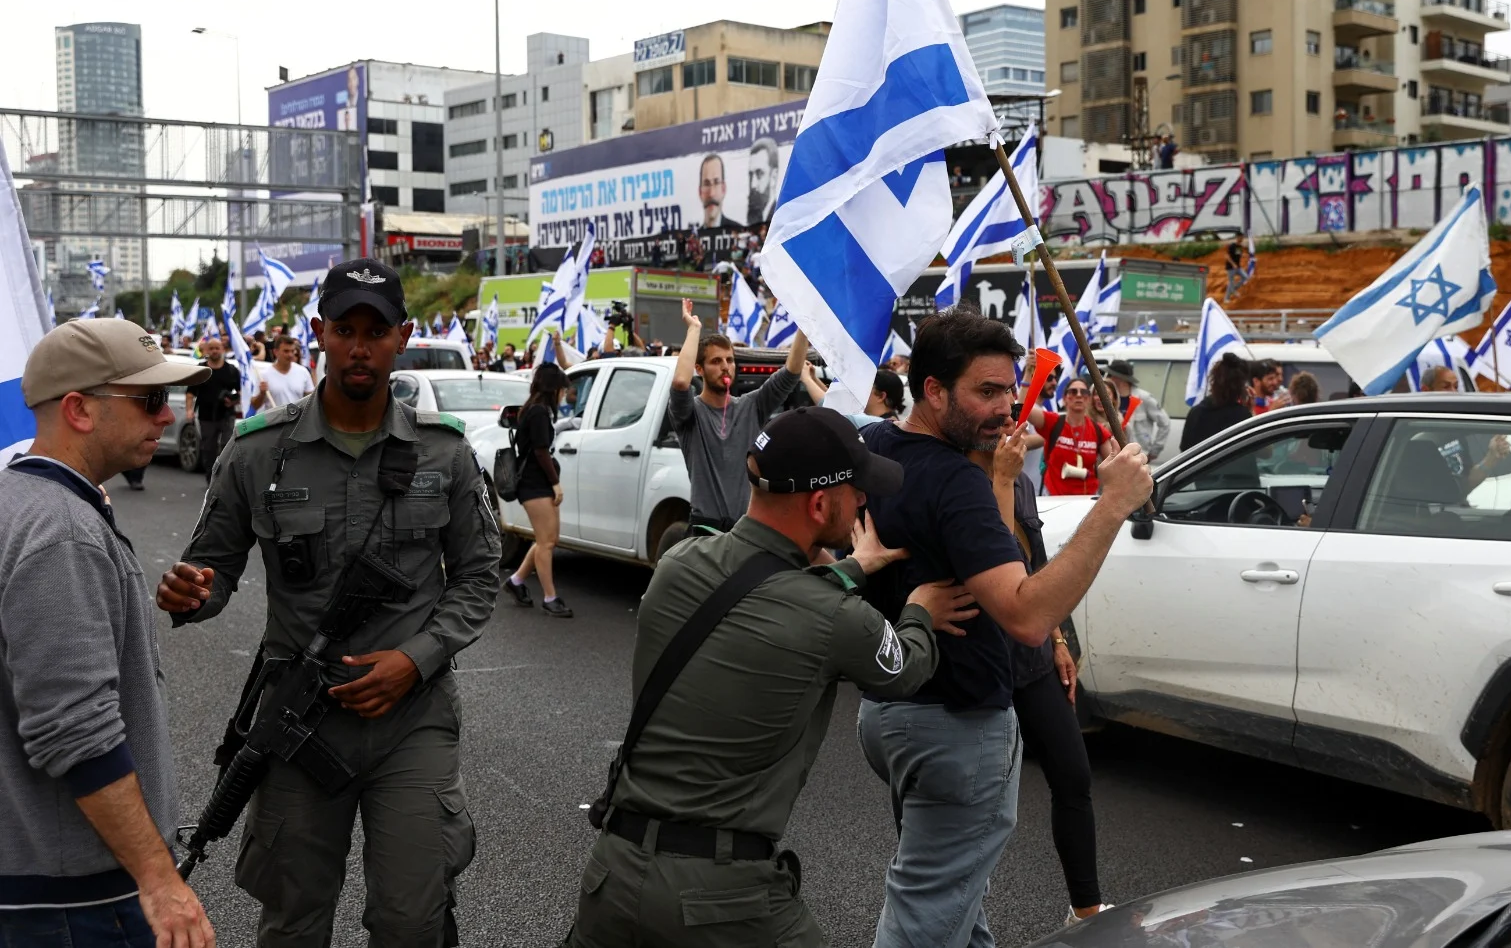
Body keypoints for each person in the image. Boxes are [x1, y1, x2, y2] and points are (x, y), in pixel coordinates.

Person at [155, 258, 499, 946]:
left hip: (413, 718)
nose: (361, 345)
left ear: (401, 337)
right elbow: (213, 572)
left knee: (411, 918)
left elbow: (479, 576)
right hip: (300, 720)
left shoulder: (446, 454)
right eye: (346, 329)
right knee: (294, 920)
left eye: (377, 330)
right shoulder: (258, 455)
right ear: (320, 334)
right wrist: (189, 593)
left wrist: (415, 659)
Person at [562, 407, 977, 948]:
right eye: (858, 491)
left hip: (611, 876)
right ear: (821, 503)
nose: (866, 501)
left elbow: (760, 587)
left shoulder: (678, 563)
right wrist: (921, 610)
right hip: (722, 900)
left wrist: (854, 566)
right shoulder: (835, 617)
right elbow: (904, 669)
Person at [856, 305, 1152, 948]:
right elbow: (1025, 612)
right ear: (933, 389)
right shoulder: (955, 479)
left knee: (957, 906)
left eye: (1011, 389)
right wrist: (1113, 505)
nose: (1005, 407)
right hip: (954, 726)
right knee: (927, 917)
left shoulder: (876, 444)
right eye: (986, 392)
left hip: (888, 708)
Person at [1, 320, 214, 946]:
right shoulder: (60, 530)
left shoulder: (25, 502)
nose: (167, 418)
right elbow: (75, 728)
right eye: (149, 400)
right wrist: (158, 878)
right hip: (72, 895)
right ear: (79, 410)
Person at [979, 409, 1102, 924]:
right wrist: (1002, 479)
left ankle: (1086, 909)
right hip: (982, 662)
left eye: (1012, 405)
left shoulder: (1021, 484)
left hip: (1031, 658)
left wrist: (1057, 639)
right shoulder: (965, 480)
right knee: (977, 803)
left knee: (1073, 775)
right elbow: (998, 559)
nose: (1009, 421)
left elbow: (1036, 566)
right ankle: (957, 914)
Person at [670, 298, 805, 531]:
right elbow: (681, 381)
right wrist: (694, 328)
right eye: (716, 361)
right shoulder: (690, 414)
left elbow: (792, 373)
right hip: (706, 531)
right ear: (699, 369)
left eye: (730, 360)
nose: (726, 366)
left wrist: (805, 324)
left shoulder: (751, 405)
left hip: (746, 530)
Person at [505, 362, 572, 616]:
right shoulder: (539, 412)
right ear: (553, 388)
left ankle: (516, 581)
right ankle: (550, 597)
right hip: (534, 484)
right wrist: (556, 484)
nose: (564, 394)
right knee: (546, 542)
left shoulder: (533, 409)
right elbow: (541, 452)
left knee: (548, 539)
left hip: (536, 483)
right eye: (562, 390)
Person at [1031, 377, 1113, 497]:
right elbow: (1024, 410)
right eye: (1073, 392)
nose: (1079, 395)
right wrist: (1028, 377)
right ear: (1064, 399)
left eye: (1084, 392)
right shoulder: (1053, 421)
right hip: (1054, 498)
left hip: (1087, 499)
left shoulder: (1098, 430)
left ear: (1089, 399)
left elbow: (1114, 464)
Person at [187, 337, 243, 481]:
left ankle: (224, 478)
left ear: (223, 350)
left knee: (227, 446)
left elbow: (242, 392)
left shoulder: (231, 370)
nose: (214, 351)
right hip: (206, 416)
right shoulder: (201, 369)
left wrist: (233, 401)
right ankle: (211, 478)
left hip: (227, 415)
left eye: (217, 348)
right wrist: (189, 410)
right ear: (206, 350)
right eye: (211, 348)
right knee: (209, 448)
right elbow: (190, 392)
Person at [1179, 352, 1253, 452]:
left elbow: (1184, 450)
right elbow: (1265, 453)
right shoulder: (1242, 416)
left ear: (1213, 381)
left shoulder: (1196, 412)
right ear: (1241, 386)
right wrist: (1251, 411)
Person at [1106, 360, 1170, 459]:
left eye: (1110, 375)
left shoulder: (1144, 398)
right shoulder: (1109, 398)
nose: (1107, 378)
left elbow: (1165, 423)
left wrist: (1154, 451)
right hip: (1113, 455)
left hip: (1137, 455)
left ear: (1120, 379)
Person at [259, 332, 315, 409]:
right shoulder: (264, 374)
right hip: (275, 420)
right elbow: (255, 405)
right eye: (286, 351)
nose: (290, 355)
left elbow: (311, 401)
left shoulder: (303, 372)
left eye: (292, 351)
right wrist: (262, 394)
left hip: (299, 420)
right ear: (275, 352)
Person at [698, 154, 743, 230]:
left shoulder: (738, 231)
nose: (711, 193)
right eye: (706, 184)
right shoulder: (694, 238)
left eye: (716, 182)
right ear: (700, 192)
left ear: (723, 189)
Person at [746, 137, 780, 225]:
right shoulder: (753, 221)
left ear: (773, 176)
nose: (753, 185)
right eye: (751, 175)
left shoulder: (781, 218)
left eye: (759, 174)